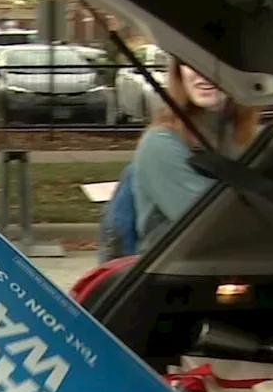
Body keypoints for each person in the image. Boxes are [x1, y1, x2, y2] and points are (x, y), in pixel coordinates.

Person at [102, 58, 259, 258]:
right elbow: (211, 227)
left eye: (216, 62)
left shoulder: (246, 137)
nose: (202, 73)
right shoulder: (161, 143)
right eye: (189, 61)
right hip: (174, 277)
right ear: (178, 72)